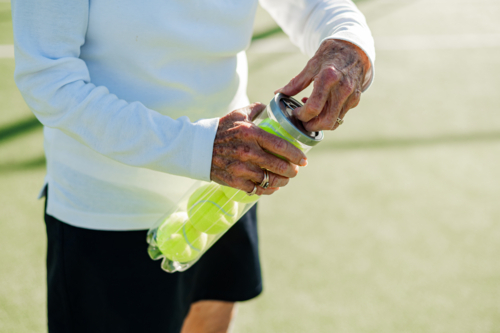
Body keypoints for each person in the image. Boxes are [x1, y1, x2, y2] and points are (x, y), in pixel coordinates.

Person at [11, 0, 375, 332]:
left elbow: (311, 6)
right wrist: (202, 149)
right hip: (110, 214)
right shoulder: (213, 153)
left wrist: (349, 43)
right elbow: (49, 80)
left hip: (227, 191)